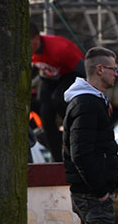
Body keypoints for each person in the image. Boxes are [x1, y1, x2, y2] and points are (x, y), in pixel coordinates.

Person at [62, 47, 118, 224]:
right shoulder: (86, 104)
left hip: (91, 193)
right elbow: (80, 153)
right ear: (100, 69)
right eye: (113, 69)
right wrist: (101, 191)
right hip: (92, 196)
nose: (116, 74)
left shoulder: (92, 101)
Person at [30, 23, 86, 162]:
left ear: (36, 39)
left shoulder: (60, 49)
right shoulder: (29, 52)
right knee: (45, 115)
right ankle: (57, 158)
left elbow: (84, 71)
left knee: (58, 98)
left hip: (70, 74)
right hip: (50, 77)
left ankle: (72, 130)